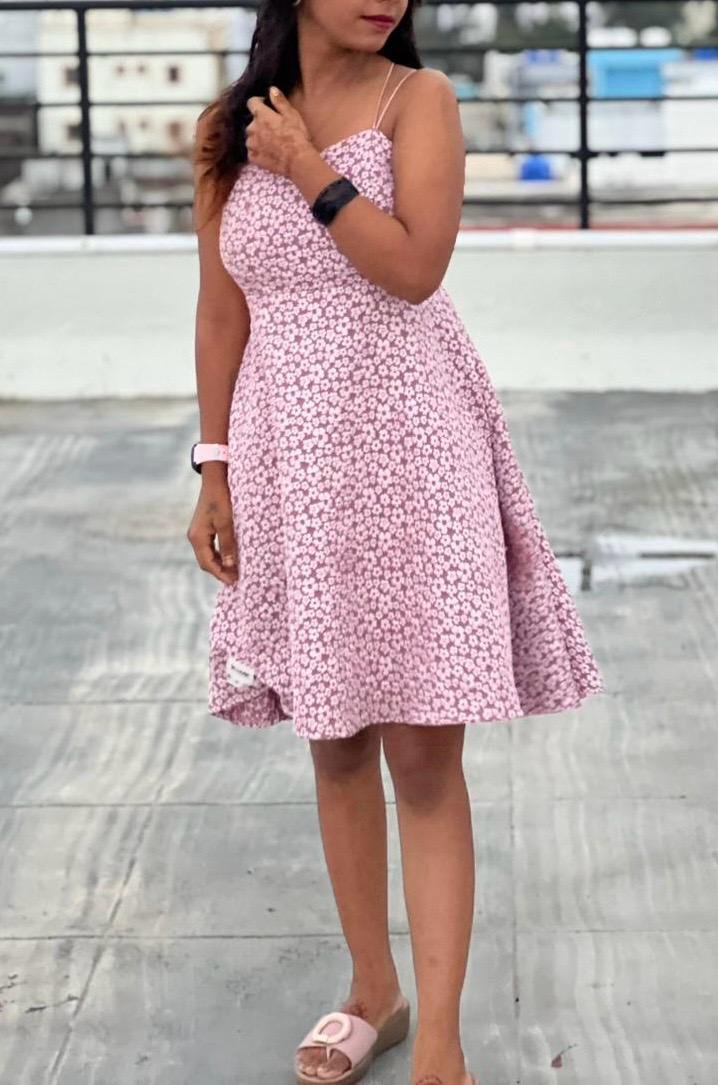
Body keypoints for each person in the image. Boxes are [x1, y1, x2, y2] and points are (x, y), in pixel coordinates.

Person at [187, 3, 605, 1083]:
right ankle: (373, 987)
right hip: (294, 466)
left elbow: (414, 268)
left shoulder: (419, 101)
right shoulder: (228, 130)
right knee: (334, 739)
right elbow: (222, 311)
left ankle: (444, 1043)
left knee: (422, 754)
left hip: (414, 454)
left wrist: (309, 168)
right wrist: (215, 467)